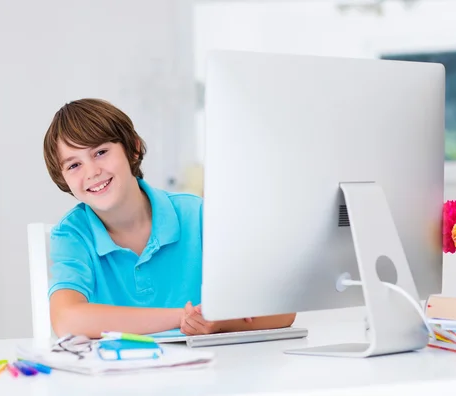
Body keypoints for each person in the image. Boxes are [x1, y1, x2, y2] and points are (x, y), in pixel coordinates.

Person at [43, 98, 296, 339]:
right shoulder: (72, 234)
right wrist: (181, 318)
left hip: (211, 374)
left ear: (133, 148)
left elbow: (282, 310)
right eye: (74, 165)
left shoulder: (196, 215)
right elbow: (67, 320)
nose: (92, 172)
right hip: (120, 378)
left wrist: (216, 322)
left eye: (100, 152)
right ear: (63, 179)